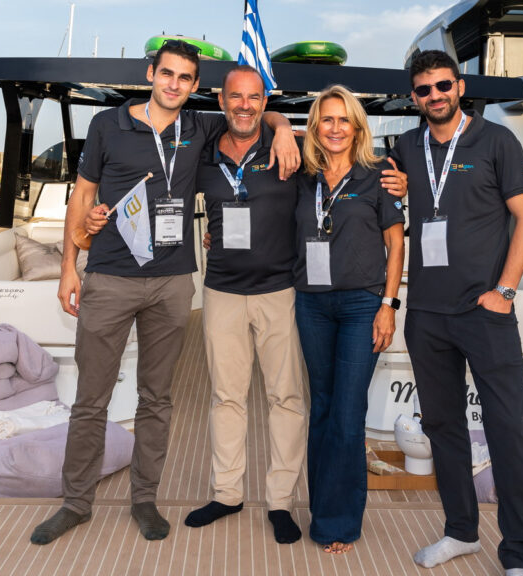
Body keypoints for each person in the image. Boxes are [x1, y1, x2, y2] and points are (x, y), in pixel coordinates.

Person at [30, 41, 299, 545]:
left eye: (185, 78)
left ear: (197, 87)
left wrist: (283, 128)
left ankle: (144, 500)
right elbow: (84, 195)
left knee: (157, 399)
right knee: (91, 398)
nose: (175, 84)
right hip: (109, 276)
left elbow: (255, 110)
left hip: (174, 283)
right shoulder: (108, 125)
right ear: (150, 74)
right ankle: (75, 502)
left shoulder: (201, 125)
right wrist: (71, 265)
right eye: (167, 74)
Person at [391, 50, 523, 576]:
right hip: (427, 313)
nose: (435, 96)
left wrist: (505, 290)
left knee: (506, 430)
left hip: (485, 311)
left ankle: (520, 555)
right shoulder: (406, 146)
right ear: (414, 97)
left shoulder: (496, 140)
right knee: (443, 427)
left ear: (460, 86)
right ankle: (461, 532)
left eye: (443, 86)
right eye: (425, 89)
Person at [182, 65, 306, 544]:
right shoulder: (202, 155)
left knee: (286, 399)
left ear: (263, 101)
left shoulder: (286, 151)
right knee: (226, 397)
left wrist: (284, 128)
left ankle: (280, 502)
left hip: (281, 291)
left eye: (256, 98)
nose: (246, 106)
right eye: (237, 97)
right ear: (221, 100)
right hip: (222, 293)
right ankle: (227, 492)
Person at [293, 85, 405, 554]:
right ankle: (323, 508)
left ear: (358, 128)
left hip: (363, 305)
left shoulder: (379, 175)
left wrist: (388, 305)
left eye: (345, 120)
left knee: (347, 412)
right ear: (315, 126)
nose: (335, 128)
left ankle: (339, 522)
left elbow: (397, 244)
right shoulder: (302, 176)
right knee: (320, 407)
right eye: (327, 119)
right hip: (312, 304)